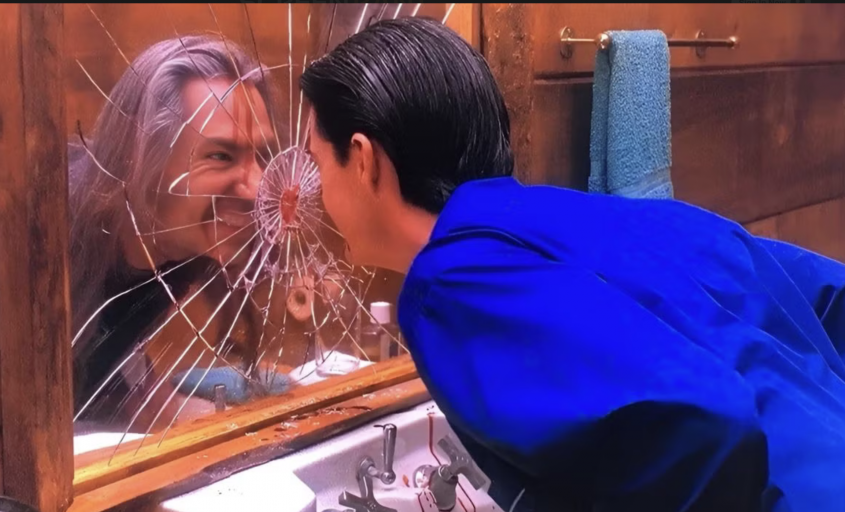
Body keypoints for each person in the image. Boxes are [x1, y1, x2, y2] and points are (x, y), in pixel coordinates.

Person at [300, 16, 844, 512]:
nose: (316, 196)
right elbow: (829, 294)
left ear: (364, 160)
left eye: (318, 164)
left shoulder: (449, 285)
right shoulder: (606, 217)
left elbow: (709, 423)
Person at [68, 35, 277, 433]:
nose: (257, 189)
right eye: (221, 156)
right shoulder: (52, 234)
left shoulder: (187, 244)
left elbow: (112, 351)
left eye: (263, 156)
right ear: (141, 154)